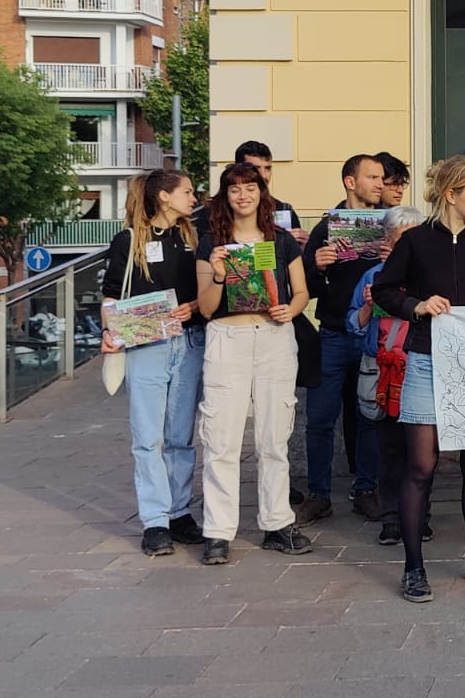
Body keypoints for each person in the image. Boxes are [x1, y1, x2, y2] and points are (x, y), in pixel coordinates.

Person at [373, 155, 465, 600]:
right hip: (424, 360)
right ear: (451, 194)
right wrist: (416, 305)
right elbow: (384, 291)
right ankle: (413, 568)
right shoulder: (415, 241)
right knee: (421, 466)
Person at [194, 162, 312, 565]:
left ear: (262, 193)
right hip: (227, 338)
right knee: (221, 440)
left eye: (250, 188)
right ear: (224, 197)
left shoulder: (280, 241)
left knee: (273, 438)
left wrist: (290, 311)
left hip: (274, 338)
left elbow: (301, 292)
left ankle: (278, 523)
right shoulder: (212, 243)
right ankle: (218, 531)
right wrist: (220, 274)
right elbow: (207, 309)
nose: (243, 195)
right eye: (234, 189)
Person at [100, 169, 206, 557]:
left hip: (189, 341)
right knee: (148, 437)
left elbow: (207, 291)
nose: (193, 198)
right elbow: (112, 295)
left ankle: (179, 512)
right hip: (146, 346)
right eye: (187, 192)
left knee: (180, 436)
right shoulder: (128, 241)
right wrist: (109, 331)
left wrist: (194, 306)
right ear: (164, 197)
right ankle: (155, 521)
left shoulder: (194, 238)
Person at [296, 154, 387, 527]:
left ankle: (366, 489)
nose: (381, 184)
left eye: (382, 178)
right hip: (333, 334)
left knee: (368, 416)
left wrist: (393, 258)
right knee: (319, 418)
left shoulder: (391, 225)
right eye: (373, 177)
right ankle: (319, 495)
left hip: (372, 335)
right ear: (351, 182)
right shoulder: (325, 228)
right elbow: (304, 287)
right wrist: (316, 266)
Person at [346, 205, 429, 547]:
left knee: (422, 452)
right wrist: (367, 306)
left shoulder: (429, 277)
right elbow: (352, 326)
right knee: (389, 448)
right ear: (388, 241)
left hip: (421, 368)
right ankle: (391, 518)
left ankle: (421, 516)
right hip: (384, 372)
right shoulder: (373, 276)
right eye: (400, 240)